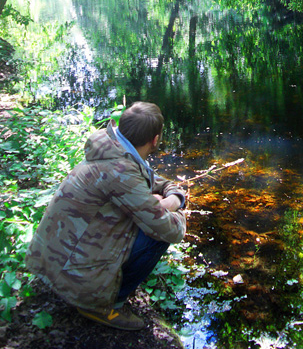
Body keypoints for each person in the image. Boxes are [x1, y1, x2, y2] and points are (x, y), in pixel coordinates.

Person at [25, 101, 186, 331]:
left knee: (146, 218)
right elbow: (171, 229)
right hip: (71, 274)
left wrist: (170, 193)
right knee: (158, 236)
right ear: (155, 140)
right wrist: (175, 207)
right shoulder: (119, 172)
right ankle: (103, 306)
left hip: (53, 259)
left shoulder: (110, 146)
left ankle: (91, 287)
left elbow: (142, 177)